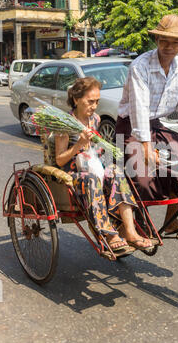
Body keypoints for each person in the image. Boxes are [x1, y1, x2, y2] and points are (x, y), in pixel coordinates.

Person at [115, 14, 178, 234]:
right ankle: (133, 223)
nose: (169, 47)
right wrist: (146, 147)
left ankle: (171, 222)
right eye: (164, 41)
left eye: (175, 42)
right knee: (142, 172)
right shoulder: (140, 66)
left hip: (156, 125)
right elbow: (139, 108)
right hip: (131, 125)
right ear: (157, 41)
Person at [54, 77, 152, 256]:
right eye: (90, 101)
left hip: (93, 167)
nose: (94, 106)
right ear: (76, 99)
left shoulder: (95, 119)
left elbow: (96, 150)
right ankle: (108, 234)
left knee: (117, 171)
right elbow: (59, 160)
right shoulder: (65, 124)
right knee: (90, 179)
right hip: (74, 176)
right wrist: (78, 146)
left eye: (97, 101)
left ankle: (130, 230)